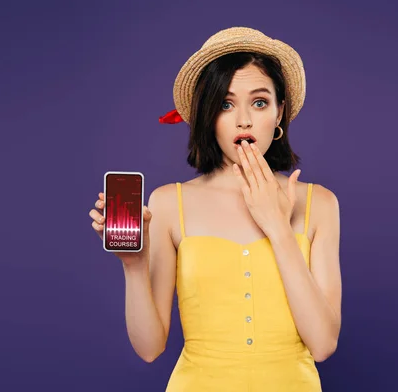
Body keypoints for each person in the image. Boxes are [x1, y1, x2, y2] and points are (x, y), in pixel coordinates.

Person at [89, 27, 342, 391]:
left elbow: (323, 344)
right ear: (208, 116)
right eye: (225, 104)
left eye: (259, 102)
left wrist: (278, 227)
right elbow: (149, 348)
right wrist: (133, 265)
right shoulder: (167, 202)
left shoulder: (319, 203)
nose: (243, 120)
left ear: (279, 112)